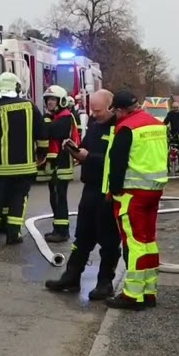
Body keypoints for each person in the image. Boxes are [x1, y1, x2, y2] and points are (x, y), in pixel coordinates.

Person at [45, 89, 121, 300]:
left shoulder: (120, 128)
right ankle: (72, 276)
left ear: (111, 107)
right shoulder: (95, 126)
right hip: (90, 189)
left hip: (108, 191)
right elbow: (85, 147)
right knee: (82, 235)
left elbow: (116, 160)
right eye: (92, 110)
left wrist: (90, 157)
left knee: (108, 241)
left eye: (98, 111)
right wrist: (75, 150)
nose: (94, 114)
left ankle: (105, 282)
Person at [103, 90, 170, 310]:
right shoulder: (156, 124)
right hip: (154, 190)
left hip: (132, 193)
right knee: (149, 241)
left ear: (121, 110)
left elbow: (118, 163)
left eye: (116, 111)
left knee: (135, 244)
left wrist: (113, 191)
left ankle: (132, 295)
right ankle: (149, 291)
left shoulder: (126, 128)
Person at [0, 71, 47, 243]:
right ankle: (13, 233)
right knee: (19, 198)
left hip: (1, 166)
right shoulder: (30, 106)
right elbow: (42, 133)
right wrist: (42, 154)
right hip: (25, 166)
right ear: (17, 87)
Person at [42, 85, 79, 243]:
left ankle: (62, 232)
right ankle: (58, 228)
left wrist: (43, 123)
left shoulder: (65, 117)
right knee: (55, 196)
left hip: (62, 164)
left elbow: (51, 132)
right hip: (57, 164)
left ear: (61, 101)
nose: (50, 102)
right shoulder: (56, 117)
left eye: (53, 99)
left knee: (59, 197)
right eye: (48, 99)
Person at [162, 98, 179, 175]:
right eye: (174, 108)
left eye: (177, 108)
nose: (175, 109)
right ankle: (173, 168)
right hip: (174, 135)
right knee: (174, 152)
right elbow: (165, 122)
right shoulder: (170, 114)